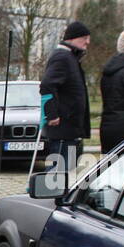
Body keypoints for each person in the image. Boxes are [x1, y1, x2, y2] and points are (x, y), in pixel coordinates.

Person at [39, 20, 91, 172]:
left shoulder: (71, 58)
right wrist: (52, 115)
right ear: (73, 37)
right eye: (84, 38)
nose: (87, 42)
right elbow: (47, 85)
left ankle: (59, 195)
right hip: (63, 128)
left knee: (66, 170)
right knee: (60, 171)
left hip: (71, 128)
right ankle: (47, 194)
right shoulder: (62, 57)